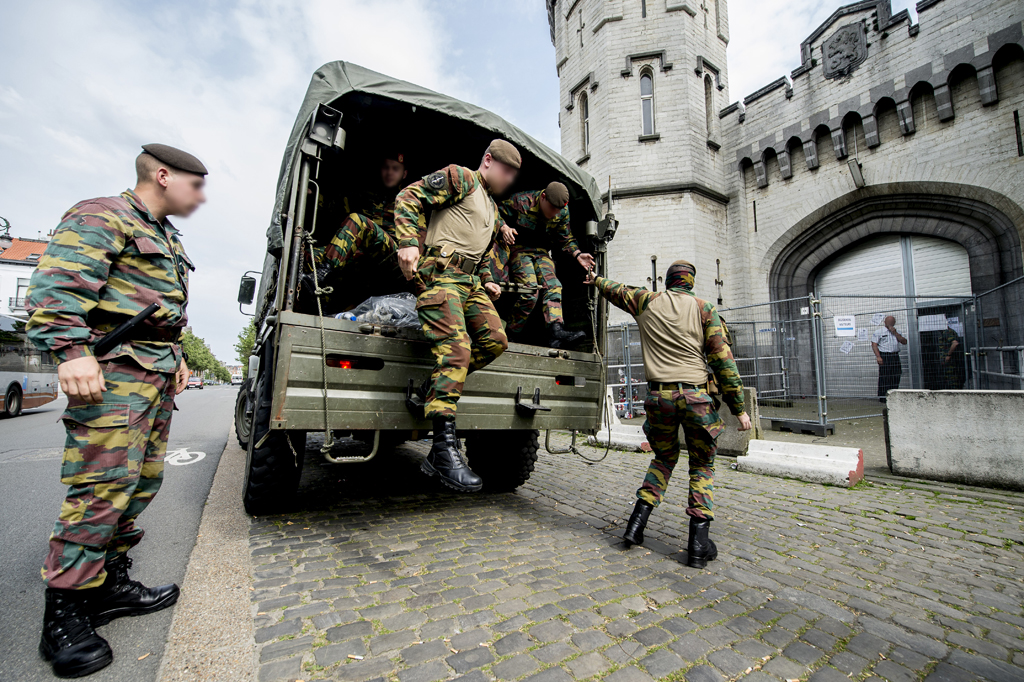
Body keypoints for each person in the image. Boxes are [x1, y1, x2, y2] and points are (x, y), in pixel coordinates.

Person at [26, 143, 205, 677]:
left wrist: (175, 358)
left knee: (140, 483)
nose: (201, 196)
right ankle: (63, 613)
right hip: (114, 376)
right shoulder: (104, 214)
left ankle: (107, 585)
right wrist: (72, 351)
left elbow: (161, 313)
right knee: (100, 488)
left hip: (152, 375)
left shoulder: (168, 238)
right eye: (196, 184)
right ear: (164, 175)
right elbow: (57, 286)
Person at [586, 260, 752, 569]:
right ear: (690, 282)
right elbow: (723, 363)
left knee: (663, 459)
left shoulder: (647, 301)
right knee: (702, 466)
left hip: (658, 398)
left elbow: (616, 290)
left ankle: (635, 526)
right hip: (697, 399)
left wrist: (594, 279)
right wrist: (739, 409)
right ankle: (698, 546)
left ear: (667, 281)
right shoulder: (704, 309)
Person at [393, 140, 519, 492]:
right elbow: (408, 197)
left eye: (513, 175)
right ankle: (442, 452)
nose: (509, 179)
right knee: (458, 350)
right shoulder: (461, 178)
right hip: (440, 275)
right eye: (505, 171)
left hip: (470, 281)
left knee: (496, 340)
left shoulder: (492, 208)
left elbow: (480, 251)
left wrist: (490, 281)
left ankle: (431, 388)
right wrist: (408, 242)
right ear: (488, 161)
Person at [303, 149, 419, 293]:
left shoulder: (410, 202)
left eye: (395, 169)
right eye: (386, 167)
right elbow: (334, 207)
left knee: (358, 220)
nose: (389, 172)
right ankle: (323, 298)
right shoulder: (364, 197)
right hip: (364, 255)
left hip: (393, 257)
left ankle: (323, 272)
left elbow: (421, 238)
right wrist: (310, 195)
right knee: (307, 257)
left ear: (404, 174)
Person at [497, 182, 596, 347]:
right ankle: (511, 333)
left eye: (559, 210)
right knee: (530, 291)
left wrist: (578, 254)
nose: (555, 213)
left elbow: (565, 237)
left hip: (542, 251)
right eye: (552, 208)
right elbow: (494, 213)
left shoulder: (561, 210)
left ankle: (555, 332)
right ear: (543, 197)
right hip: (519, 249)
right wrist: (504, 227)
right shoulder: (522, 200)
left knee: (554, 285)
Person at [871, 316, 907, 401]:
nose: (890, 323)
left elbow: (904, 342)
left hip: (894, 355)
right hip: (885, 356)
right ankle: (883, 397)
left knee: (896, 375)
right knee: (885, 376)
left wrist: (895, 333)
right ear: (885, 322)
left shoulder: (897, 331)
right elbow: (874, 344)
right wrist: (878, 356)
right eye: (888, 321)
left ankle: (893, 395)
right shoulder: (879, 332)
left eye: (892, 322)